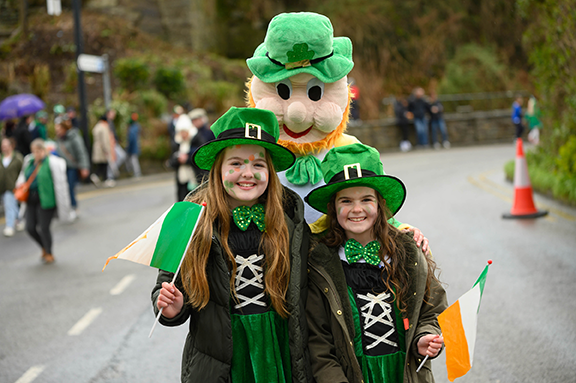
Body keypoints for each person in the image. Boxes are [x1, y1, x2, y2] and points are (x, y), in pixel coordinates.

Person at [151, 107, 313, 383]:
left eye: (258, 165)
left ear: (271, 172)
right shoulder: (187, 220)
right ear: (218, 169)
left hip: (278, 349)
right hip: (220, 357)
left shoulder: (291, 223)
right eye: (236, 163)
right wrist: (170, 306)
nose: (247, 173)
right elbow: (165, 289)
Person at [304, 143, 447, 383]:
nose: (356, 209)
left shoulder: (410, 253)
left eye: (366, 199)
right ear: (333, 207)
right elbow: (319, 342)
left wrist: (425, 337)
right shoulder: (320, 265)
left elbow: (431, 311)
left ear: (380, 204)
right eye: (346, 201)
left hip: (403, 374)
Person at [17, 139, 71, 263]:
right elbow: (22, 177)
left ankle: (49, 252)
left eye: (39, 150)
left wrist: (64, 203)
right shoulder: (29, 162)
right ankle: (43, 247)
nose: (36, 154)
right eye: (34, 151)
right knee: (30, 227)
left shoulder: (52, 162)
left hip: (46, 200)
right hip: (31, 199)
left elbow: (60, 184)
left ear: (44, 150)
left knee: (44, 227)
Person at [55, 116, 90, 218]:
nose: (57, 132)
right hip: (62, 168)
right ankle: (68, 207)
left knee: (70, 187)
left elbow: (81, 152)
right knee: (64, 188)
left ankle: (74, 207)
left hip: (72, 166)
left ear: (64, 129)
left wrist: (84, 167)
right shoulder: (59, 140)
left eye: (59, 129)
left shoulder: (73, 137)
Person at [169, 114, 204, 201]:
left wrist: (187, 159)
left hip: (195, 178)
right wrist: (178, 160)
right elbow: (171, 160)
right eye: (181, 132)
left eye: (185, 132)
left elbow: (201, 157)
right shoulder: (177, 142)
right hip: (182, 181)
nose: (183, 135)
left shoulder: (197, 139)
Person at [1, 137, 24, 236]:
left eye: (6, 146)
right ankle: (19, 220)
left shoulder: (17, 158)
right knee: (12, 205)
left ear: (11, 146)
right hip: (2, 187)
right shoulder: (1, 158)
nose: (4, 148)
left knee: (9, 205)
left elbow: (23, 171)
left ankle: (9, 226)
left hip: (12, 186)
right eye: (2, 146)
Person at [189, 108, 214, 185]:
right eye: (193, 121)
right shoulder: (195, 134)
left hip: (207, 168)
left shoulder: (209, 132)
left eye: (196, 120)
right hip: (198, 169)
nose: (194, 122)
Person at [91, 114, 116, 187]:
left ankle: (99, 177)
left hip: (97, 148)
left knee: (102, 165)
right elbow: (105, 140)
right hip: (102, 149)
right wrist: (107, 150)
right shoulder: (104, 127)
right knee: (104, 165)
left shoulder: (97, 127)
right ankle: (103, 179)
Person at [126, 112, 142, 178]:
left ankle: (137, 173)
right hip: (135, 146)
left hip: (133, 147)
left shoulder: (133, 128)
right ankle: (136, 173)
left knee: (133, 160)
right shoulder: (137, 126)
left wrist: (128, 146)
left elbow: (131, 139)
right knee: (133, 160)